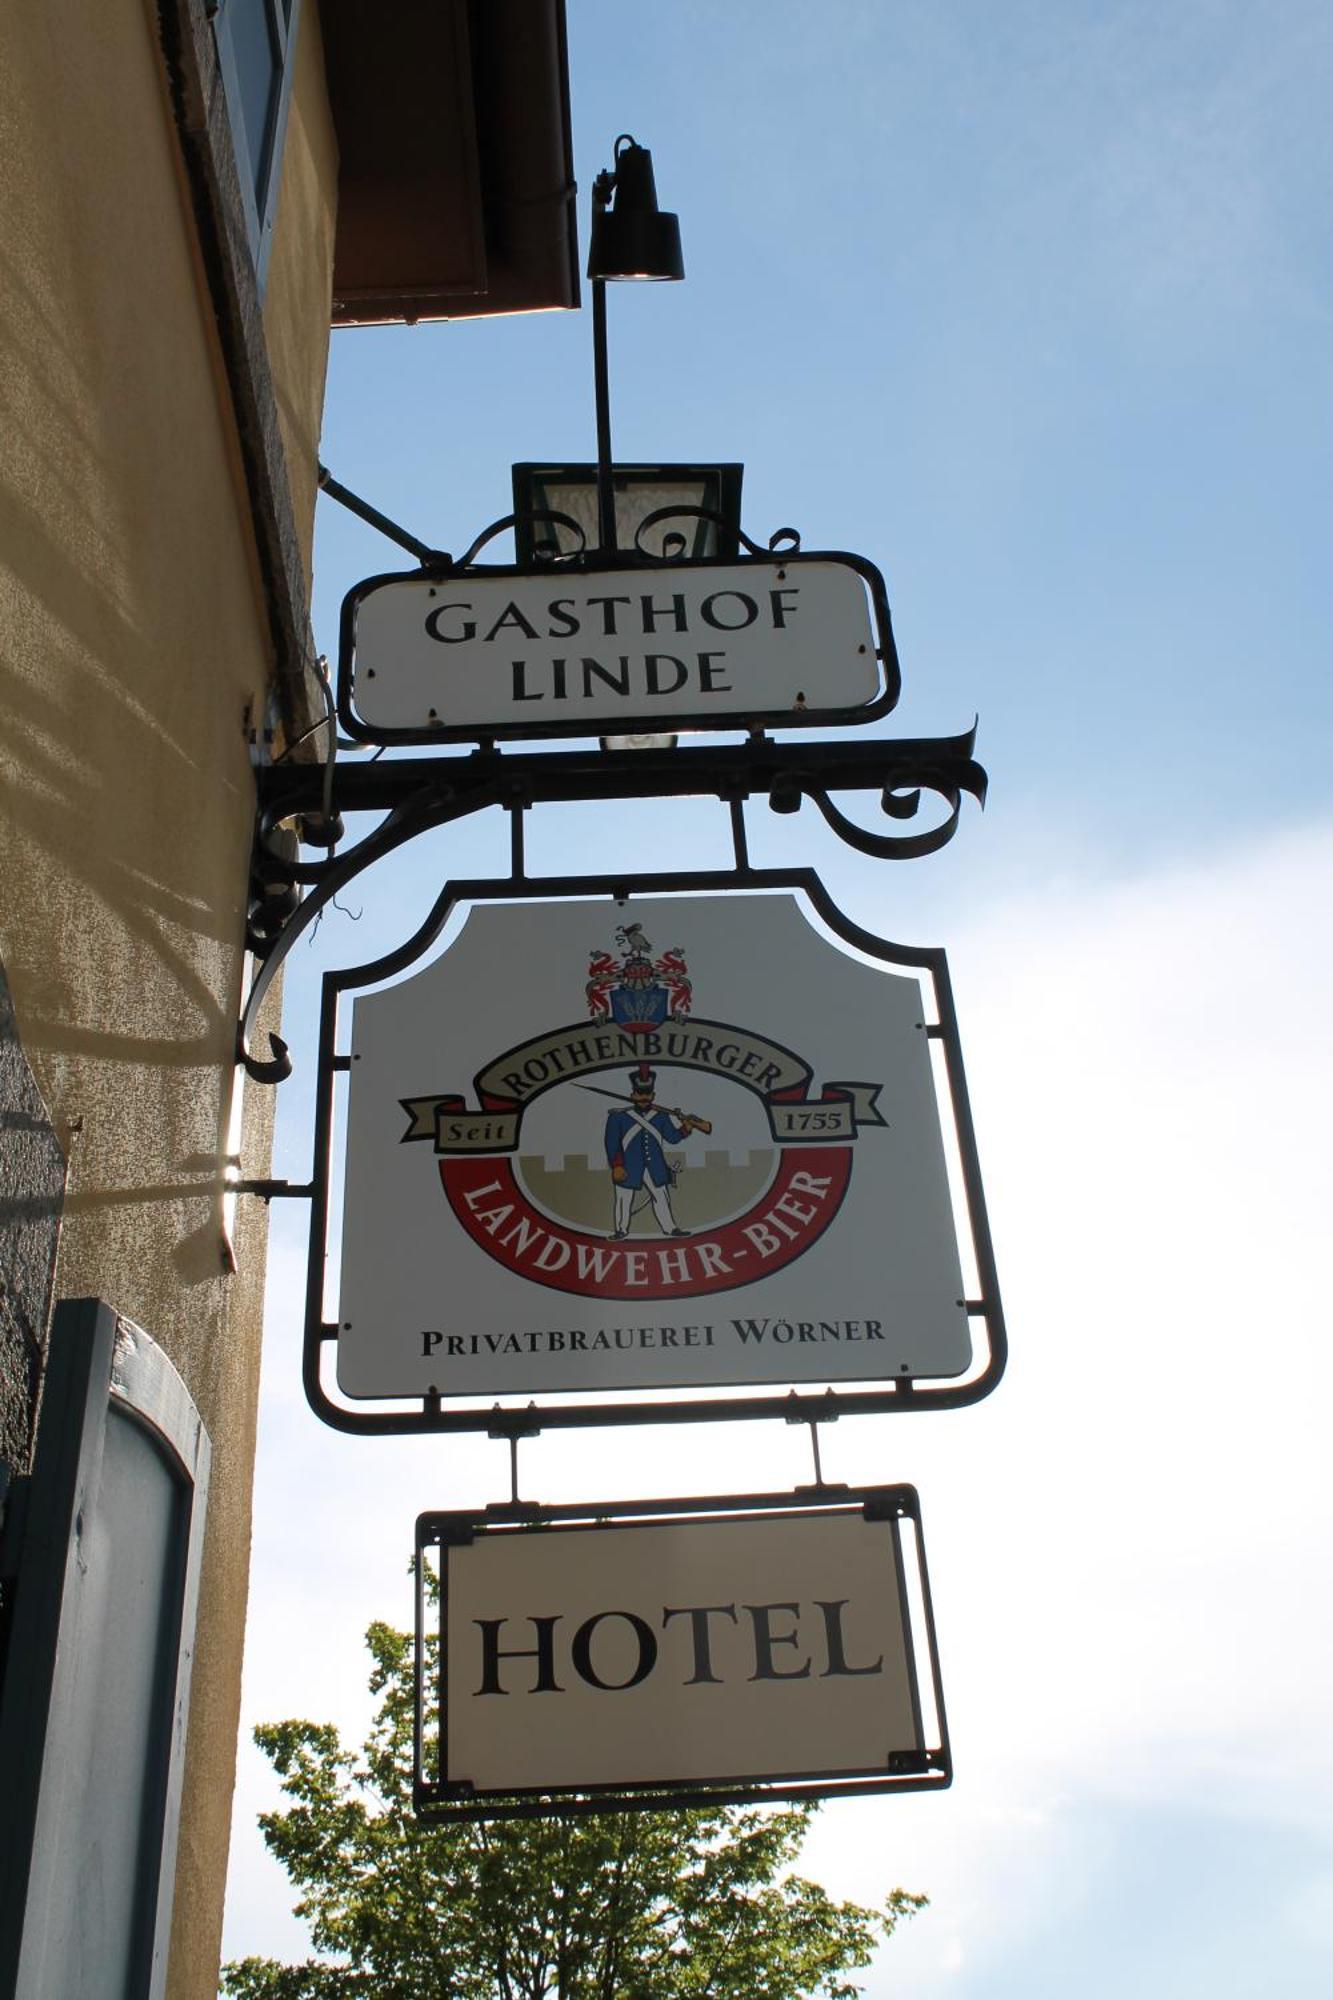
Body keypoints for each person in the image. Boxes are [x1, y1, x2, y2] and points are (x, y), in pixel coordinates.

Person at [604, 1062, 699, 1238]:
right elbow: (612, 1144)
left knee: (661, 1197)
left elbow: (673, 1137)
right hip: (628, 1165)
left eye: (647, 1094)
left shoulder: (661, 1116)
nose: (644, 1097)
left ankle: (670, 1228)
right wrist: (617, 1165)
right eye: (640, 1093)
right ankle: (620, 1230)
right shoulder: (618, 1117)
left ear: (653, 1095)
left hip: (654, 1164)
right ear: (633, 1094)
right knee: (624, 1198)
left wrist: (687, 1126)